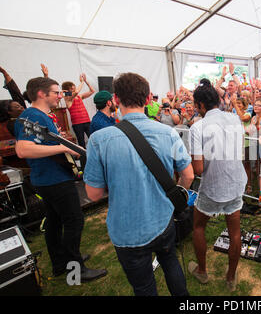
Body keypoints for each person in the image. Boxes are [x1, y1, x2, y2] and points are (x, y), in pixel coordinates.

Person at [83, 72, 193, 296]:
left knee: (143, 286)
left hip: (127, 230)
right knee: (171, 261)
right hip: (163, 220)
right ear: (148, 98)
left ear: (115, 99)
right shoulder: (168, 134)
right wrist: (176, 196)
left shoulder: (99, 140)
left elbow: (93, 195)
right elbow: (188, 175)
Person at [14, 77, 107, 282]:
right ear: (41, 93)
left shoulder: (40, 116)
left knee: (55, 222)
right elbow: (22, 149)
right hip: (53, 180)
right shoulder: (31, 115)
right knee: (74, 220)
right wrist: (64, 147)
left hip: (48, 178)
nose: (60, 96)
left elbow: (39, 143)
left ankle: (60, 264)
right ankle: (76, 271)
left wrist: (58, 139)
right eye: (57, 92)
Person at [188, 78, 247, 292]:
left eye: (196, 105)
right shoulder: (234, 119)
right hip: (234, 182)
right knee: (235, 232)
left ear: (201, 105)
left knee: (198, 226)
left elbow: (198, 169)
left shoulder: (198, 127)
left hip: (213, 186)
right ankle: (230, 277)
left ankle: (202, 272)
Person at [62, 74, 95, 148]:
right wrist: (82, 82)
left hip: (86, 121)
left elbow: (92, 91)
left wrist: (86, 81)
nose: (74, 89)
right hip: (77, 124)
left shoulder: (79, 96)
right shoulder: (67, 97)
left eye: (74, 88)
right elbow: (76, 92)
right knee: (81, 143)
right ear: (67, 90)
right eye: (72, 88)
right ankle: (83, 158)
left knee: (93, 139)